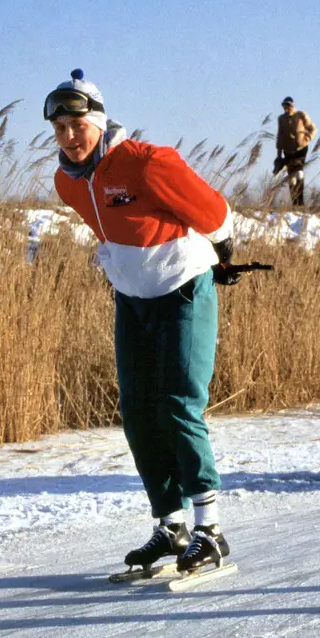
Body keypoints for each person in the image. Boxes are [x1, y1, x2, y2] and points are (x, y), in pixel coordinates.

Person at [44, 69, 241, 574]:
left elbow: (216, 211)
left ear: (100, 121)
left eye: (77, 125)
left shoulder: (148, 162)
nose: (69, 138)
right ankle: (171, 525)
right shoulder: (68, 183)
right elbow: (108, 221)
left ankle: (210, 530)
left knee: (177, 404)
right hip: (132, 299)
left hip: (182, 290)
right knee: (137, 409)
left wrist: (220, 251)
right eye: (59, 129)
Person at [276, 96, 316, 207]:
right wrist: (279, 155)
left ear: (292, 105)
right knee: (292, 179)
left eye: (287, 106)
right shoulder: (281, 118)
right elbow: (280, 136)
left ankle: (301, 201)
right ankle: (295, 203)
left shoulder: (301, 115)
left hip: (301, 149)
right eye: (284, 106)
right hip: (288, 151)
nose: (286, 109)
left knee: (299, 173)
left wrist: (307, 138)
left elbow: (313, 128)